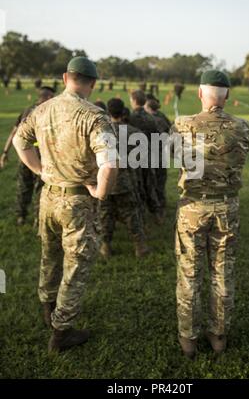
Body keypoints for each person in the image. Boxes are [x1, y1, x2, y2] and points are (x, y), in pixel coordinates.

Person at [13, 56, 118, 353]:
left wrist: (38, 171)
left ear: (64, 78)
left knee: (50, 254)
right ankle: (61, 332)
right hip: (76, 201)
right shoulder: (95, 116)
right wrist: (99, 193)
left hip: (48, 196)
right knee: (76, 265)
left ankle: (48, 310)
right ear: (93, 83)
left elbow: (21, 143)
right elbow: (109, 164)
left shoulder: (41, 109)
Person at [171, 70, 249, 359]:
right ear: (227, 95)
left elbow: (171, 155)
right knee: (222, 273)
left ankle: (188, 339)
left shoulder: (182, 124)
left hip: (193, 208)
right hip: (227, 208)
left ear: (199, 94)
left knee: (190, 274)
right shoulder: (242, 126)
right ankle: (219, 336)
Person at [97, 98, 151, 258]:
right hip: (126, 180)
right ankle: (140, 246)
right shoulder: (134, 132)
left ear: (108, 112)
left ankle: (105, 246)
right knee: (131, 214)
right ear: (123, 112)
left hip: (105, 180)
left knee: (105, 214)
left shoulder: (101, 132)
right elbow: (143, 158)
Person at [0, 86, 55, 225]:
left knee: (24, 186)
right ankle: (38, 218)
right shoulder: (50, 112)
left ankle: (21, 216)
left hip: (25, 154)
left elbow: (14, 134)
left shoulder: (26, 111)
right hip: (43, 155)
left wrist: (5, 152)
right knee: (41, 187)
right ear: (48, 97)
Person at [129, 90, 161, 221]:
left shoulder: (130, 118)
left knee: (137, 187)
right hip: (149, 156)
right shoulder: (152, 118)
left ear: (134, 101)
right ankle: (156, 214)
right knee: (150, 186)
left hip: (133, 158)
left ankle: (140, 217)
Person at [144, 96, 171, 214]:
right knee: (161, 181)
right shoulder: (162, 117)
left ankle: (153, 207)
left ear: (149, 107)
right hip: (162, 153)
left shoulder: (148, 120)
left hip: (151, 154)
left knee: (151, 181)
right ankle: (162, 204)